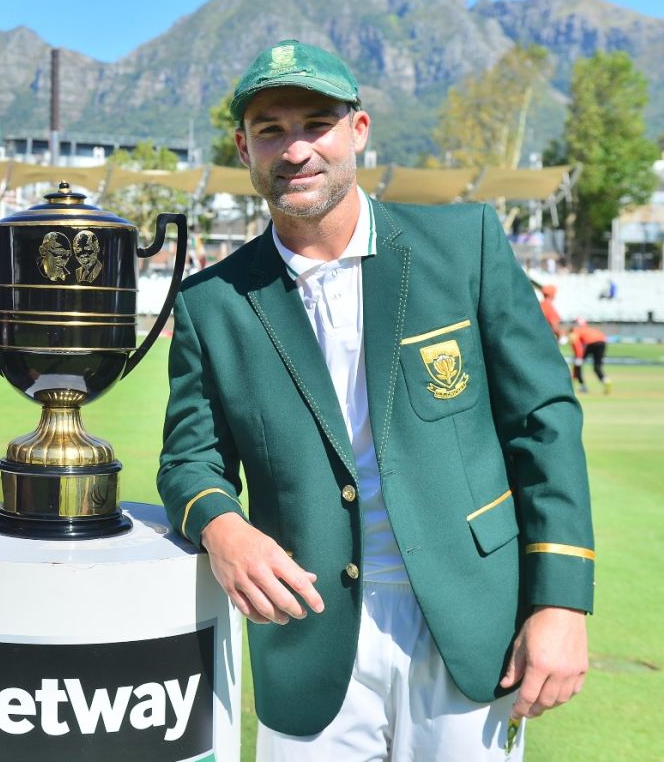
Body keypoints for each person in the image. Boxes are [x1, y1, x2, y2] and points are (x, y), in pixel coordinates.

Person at [157, 40, 594, 760]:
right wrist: (223, 529)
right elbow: (188, 461)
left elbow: (543, 421)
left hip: (470, 619)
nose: (295, 149)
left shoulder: (466, 245)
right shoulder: (213, 303)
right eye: (270, 129)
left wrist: (562, 599)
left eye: (316, 124)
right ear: (244, 147)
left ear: (358, 130)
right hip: (306, 632)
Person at [569, 317, 610, 394]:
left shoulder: (576, 330)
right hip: (602, 343)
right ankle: (606, 381)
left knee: (578, 365)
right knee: (597, 367)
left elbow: (576, 344)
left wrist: (578, 358)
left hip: (590, 344)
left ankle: (583, 386)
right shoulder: (590, 329)